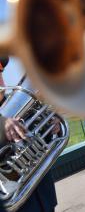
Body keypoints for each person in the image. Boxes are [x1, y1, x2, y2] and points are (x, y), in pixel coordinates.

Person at [0, 57, 59, 212]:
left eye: (0, 73)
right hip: (15, 199)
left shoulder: (20, 104)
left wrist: (51, 126)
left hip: (43, 193)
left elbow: (40, 140)